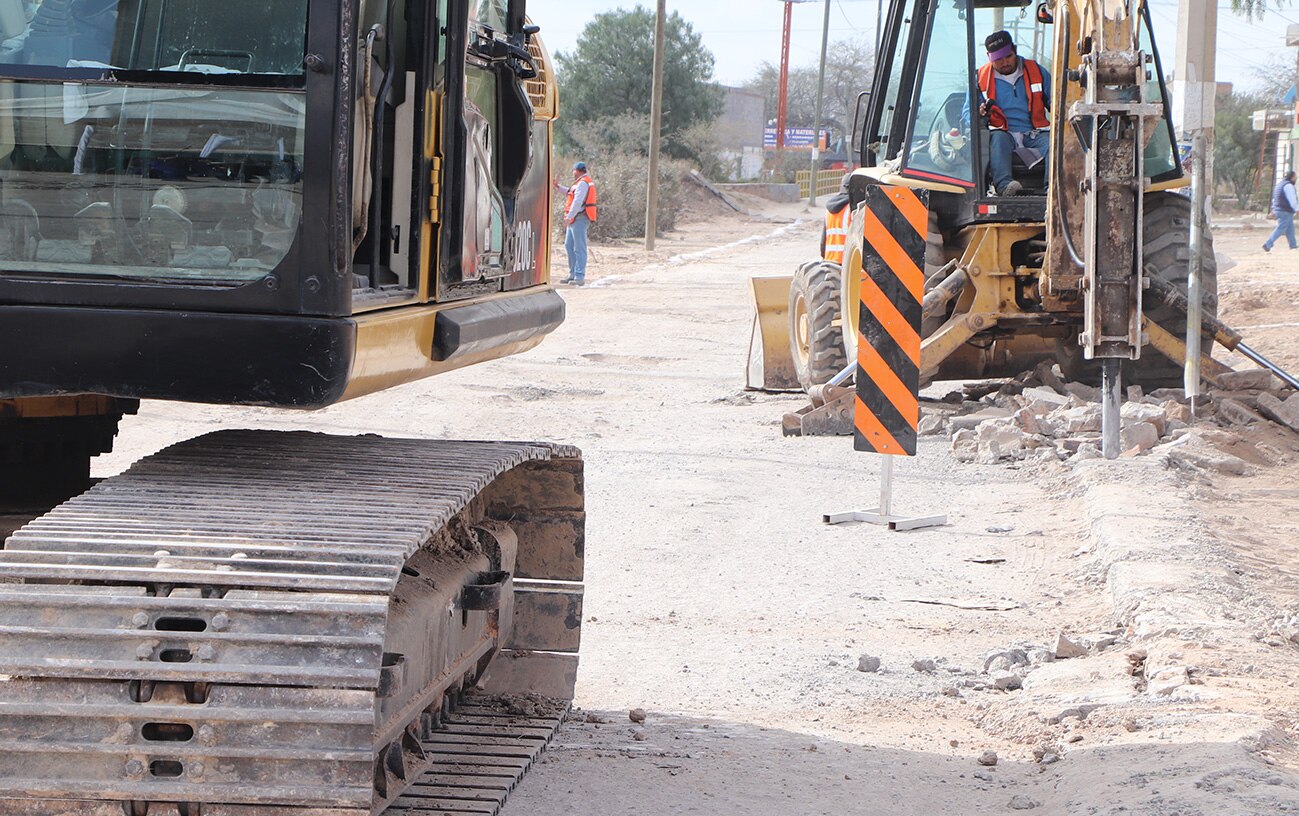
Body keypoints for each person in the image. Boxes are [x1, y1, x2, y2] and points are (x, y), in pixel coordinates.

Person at [977, 30, 1051, 197]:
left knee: (1054, 143)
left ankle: (1052, 188)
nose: (1004, 63)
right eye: (998, 59)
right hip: (1003, 132)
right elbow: (968, 114)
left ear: (1015, 50)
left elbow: (1056, 101)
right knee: (998, 139)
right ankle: (1005, 187)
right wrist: (979, 113)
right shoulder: (980, 78)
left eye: (1008, 56)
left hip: (1034, 133)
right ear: (989, 58)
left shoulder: (1036, 71)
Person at [553, 161, 598, 285]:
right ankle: (573, 274)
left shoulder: (583, 183)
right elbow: (570, 192)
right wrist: (557, 187)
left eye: (573, 171)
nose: (572, 173)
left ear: (577, 171)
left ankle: (579, 276)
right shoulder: (581, 182)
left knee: (579, 248)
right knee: (569, 245)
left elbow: (577, 201)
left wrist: (569, 216)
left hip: (579, 218)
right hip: (575, 218)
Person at [821, 174, 853, 266]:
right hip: (847, 262)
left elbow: (823, 240)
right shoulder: (853, 208)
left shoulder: (828, 210)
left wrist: (824, 257)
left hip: (830, 260)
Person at [1264, 170, 1297, 252]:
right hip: (1285, 210)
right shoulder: (1289, 186)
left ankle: (1293, 245)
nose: (1296, 179)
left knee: (1290, 229)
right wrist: (1297, 209)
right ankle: (1268, 244)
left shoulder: (1279, 185)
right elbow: (1292, 199)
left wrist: (1273, 209)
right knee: (1281, 228)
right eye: (1295, 177)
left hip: (1279, 209)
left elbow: (1275, 199)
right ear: (1292, 177)